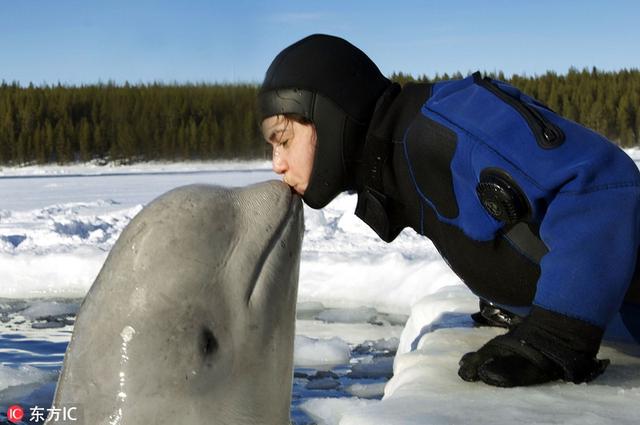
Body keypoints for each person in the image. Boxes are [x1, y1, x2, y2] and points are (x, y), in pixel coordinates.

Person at [258, 34, 640, 387]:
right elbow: (507, 221)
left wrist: (556, 333)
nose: (277, 163)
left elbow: (600, 187)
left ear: (329, 117)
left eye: (284, 140)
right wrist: (517, 298)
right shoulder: (400, 164)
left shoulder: (444, 126)